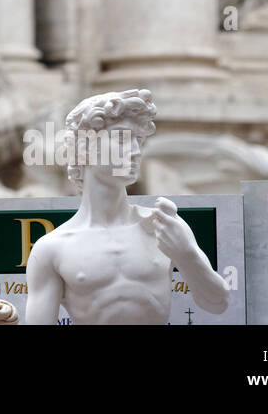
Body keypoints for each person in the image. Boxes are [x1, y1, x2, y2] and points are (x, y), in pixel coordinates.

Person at [25, 89, 231, 324]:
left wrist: (187, 255)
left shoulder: (161, 228)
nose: (135, 151)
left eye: (139, 141)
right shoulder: (52, 249)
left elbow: (218, 303)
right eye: (122, 139)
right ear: (84, 147)